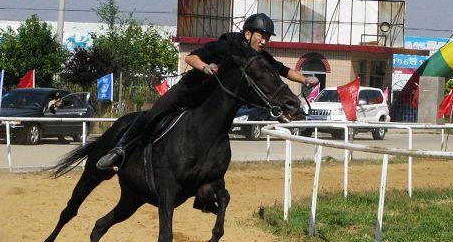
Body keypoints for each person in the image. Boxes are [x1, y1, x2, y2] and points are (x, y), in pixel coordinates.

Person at [96, 13, 319, 171]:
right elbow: (190, 57)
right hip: (187, 91)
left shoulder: (257, 57)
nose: (265, 41)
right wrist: (206, 67)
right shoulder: (225, 45)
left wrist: (305, 78)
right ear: (248, 33)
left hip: (206, 102)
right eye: (261, 35)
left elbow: (281, 69)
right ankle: (119, 151)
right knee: (151, 115)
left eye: (268, 37)